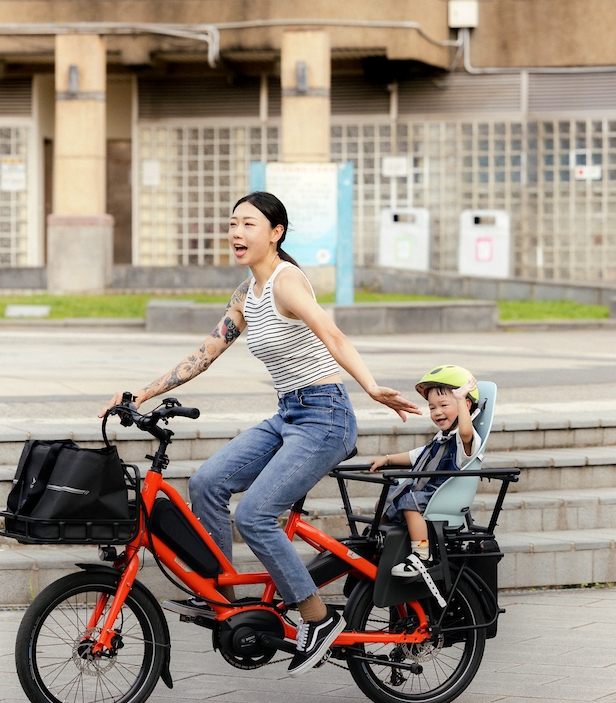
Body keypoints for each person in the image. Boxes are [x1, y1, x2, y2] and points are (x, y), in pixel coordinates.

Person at [101, 191, 420, 676]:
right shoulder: (245, 296)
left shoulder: (288, 284)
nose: (236, 233)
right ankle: (226, 601)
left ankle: (317, 617)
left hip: (326, 415)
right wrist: (140, 395)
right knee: (207, 482)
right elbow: (205, 353)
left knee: (254, 515)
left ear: (276, 233)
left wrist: (372, 387)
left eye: (249, 224)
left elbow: (332, 335)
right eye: (232, 224)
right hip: (289, 414)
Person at [367, 365, 481, 577]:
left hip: (442, 495)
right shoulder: (441, 438)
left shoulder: (465, 439)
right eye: (432, 407)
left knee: (410, 503)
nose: (437, 412)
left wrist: (459, 398)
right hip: (425, 490)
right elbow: (417, 455)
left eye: (444, 405)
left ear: (465, 404)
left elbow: (465, 432)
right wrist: (389, 459)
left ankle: (422, 556)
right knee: (384, 501)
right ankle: (379, 542)